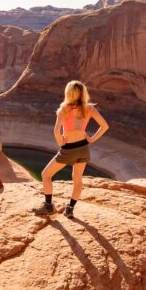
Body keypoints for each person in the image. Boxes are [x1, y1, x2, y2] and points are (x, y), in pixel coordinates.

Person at [36, 80, 109, 218]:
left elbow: (56, 131)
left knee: (46, 175)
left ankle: (48, 206)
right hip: (83, 147)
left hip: (69, 148)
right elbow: (105, 126)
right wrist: (91, 139)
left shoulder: (64, 109)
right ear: (83, 93)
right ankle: (69, 209)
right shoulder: (90, 108)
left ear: (68, 93)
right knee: (77, 180)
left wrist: (60, 143)